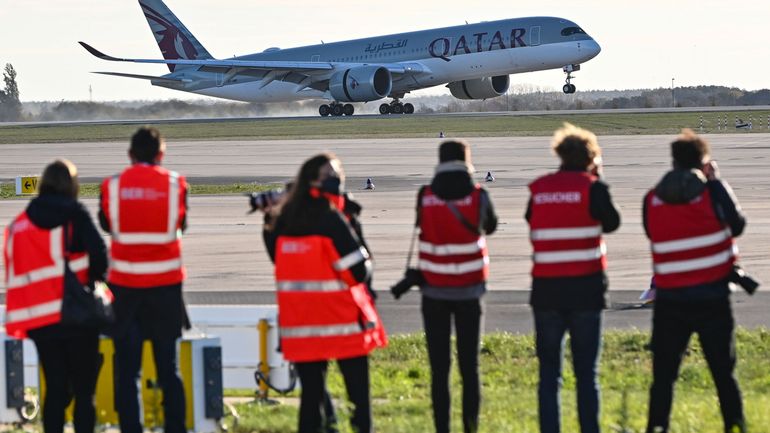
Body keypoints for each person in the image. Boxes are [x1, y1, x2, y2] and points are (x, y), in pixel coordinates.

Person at [262, 152, 387, 433]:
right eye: (331, 176)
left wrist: (272, 212)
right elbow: (358, 272)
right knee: (359, 402)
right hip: (343, 323)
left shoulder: (280, 225)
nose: (336, 181)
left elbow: (276, 257)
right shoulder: (332, 221)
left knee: (311, 402)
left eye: (338, 175)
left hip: (302, 327)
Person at [643, 129, 747, 433]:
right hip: (712, 297)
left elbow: (653, 232)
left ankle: (658, 427)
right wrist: (714, 181)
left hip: (670, 300)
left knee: (664, 375)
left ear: (673, 161)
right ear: (703, 163)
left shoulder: (652, 197)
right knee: (723, 373)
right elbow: (737, 225)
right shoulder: (712, 192)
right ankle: (735, 425)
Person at [525, 123, 620, 433]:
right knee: (586, 373)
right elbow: (612, 223)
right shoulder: (593, 188)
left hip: (547, 291)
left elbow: (531, 219)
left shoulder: (539, 188)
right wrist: (596, 179)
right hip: (585, 291)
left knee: (549, 374)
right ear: (591, 157)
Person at [3, 159, 107, 433]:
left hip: (41, 320)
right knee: (84, 392)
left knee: (55, 388)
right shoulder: (75, 214)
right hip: (76, 316)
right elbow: (100, 258)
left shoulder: (20, 224)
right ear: (72, 186)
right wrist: (92, 280)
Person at [98, 127, 189, 433]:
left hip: (124, 289)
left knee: (127, 373)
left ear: (130, 155)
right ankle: (174, 427)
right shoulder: (176, 184)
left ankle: (130, 429)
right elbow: (181, 224)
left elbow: (106, 223)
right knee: (169, 370)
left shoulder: (112, 186)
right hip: (165, 288)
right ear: (161, 154)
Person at [408, 140, 498, 433]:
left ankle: (441, 428)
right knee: (470, 368)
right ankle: (471, 427)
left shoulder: (425, 195)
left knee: (439, 370)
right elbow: (491, 226)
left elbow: (421, 224)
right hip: (470, 292)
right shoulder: (477, 195)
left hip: (433, 292)